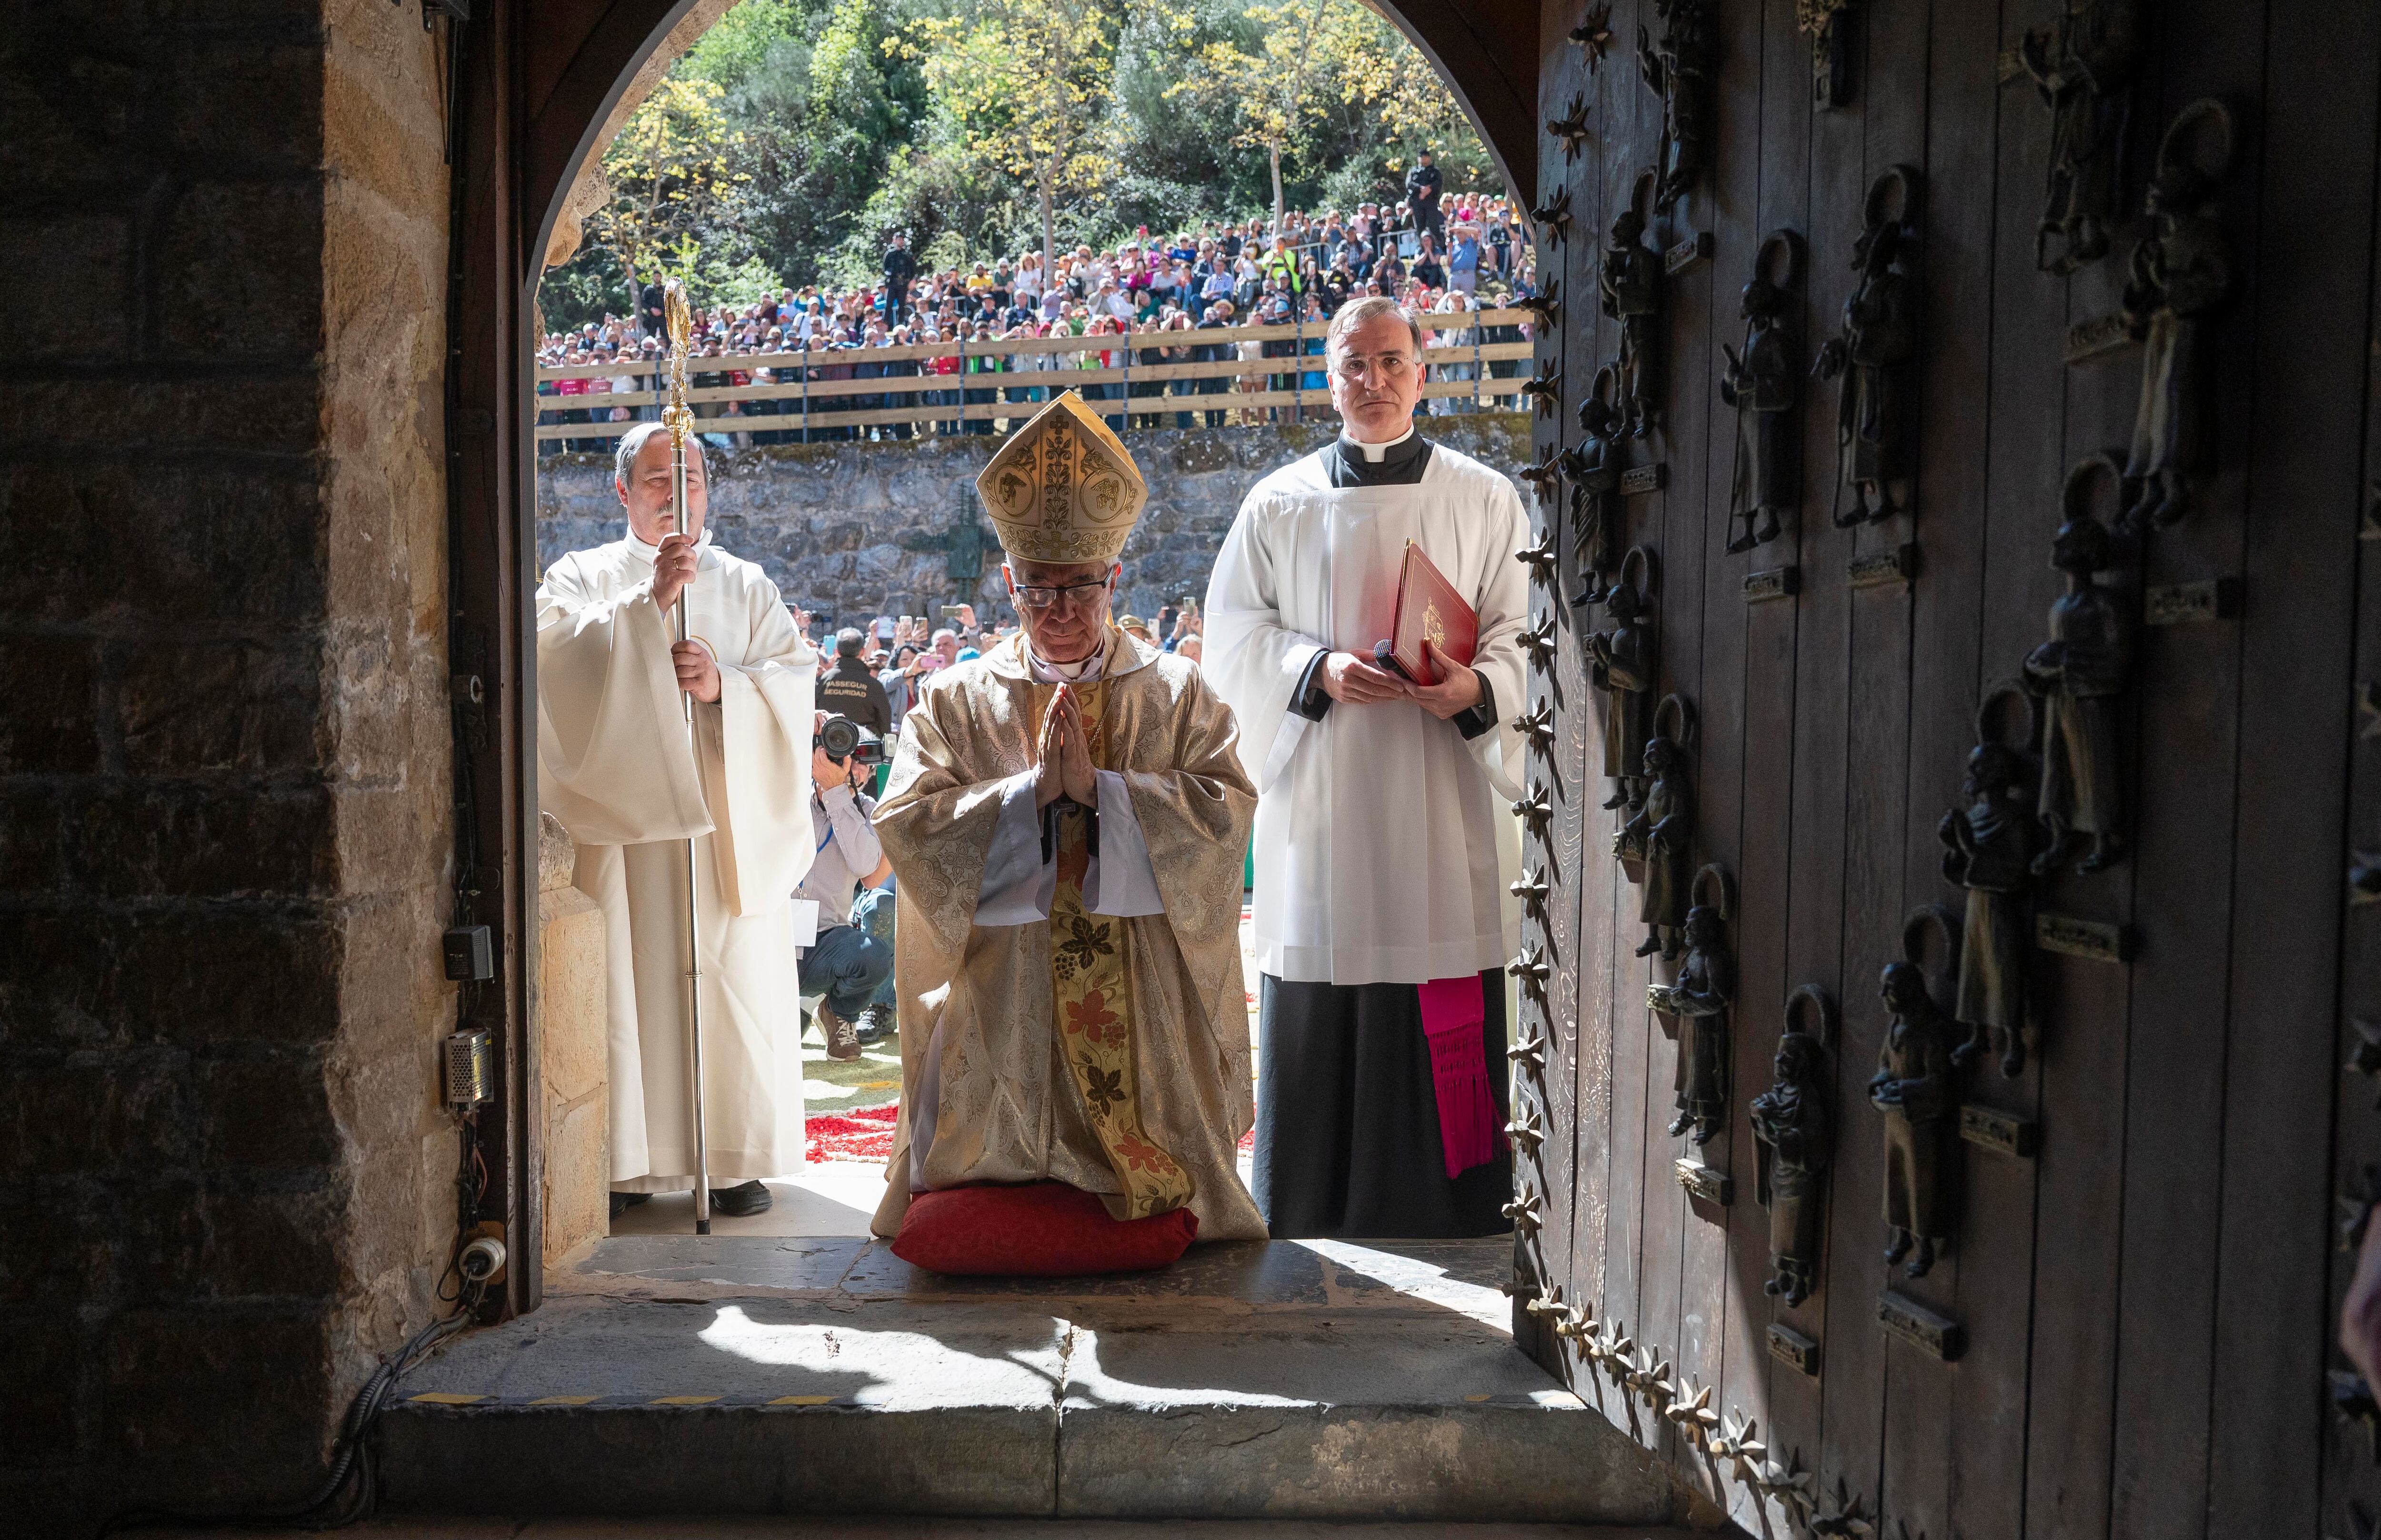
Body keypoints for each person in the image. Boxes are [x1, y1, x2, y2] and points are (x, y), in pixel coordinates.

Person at [869, 389, 1266, 1244]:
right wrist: (1028, 799)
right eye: (1036, 590)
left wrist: (1104, 796)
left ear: (1114, 578)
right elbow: (906, 820)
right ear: (1008, 583)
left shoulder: (1175, 691)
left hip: (1142, 973)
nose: (1057, 611)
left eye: (1078, 588)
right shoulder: (955, 697)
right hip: (1003, 975)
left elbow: (1228, 812)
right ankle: (1007, 1163)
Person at [1205, 295, 1529, 1239]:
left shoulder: (1482, 496)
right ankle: (1313, 1199)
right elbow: (1231, 641)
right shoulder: (1278, 502)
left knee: (1445, 957)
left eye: (1391, 362)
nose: (1374, 382)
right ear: (1328, 375)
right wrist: (1312, 669)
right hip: (1324, 794)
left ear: (1422, 371)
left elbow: (1528, 634)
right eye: (1354, 365)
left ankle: (1457, 1200)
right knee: (1325, 971)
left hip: (1444, 791)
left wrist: (1475, 687)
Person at [537, 420, 820, 1221]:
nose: (677, 491)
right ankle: (622, 1161)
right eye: (658, 478)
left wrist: (726, 685)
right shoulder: (581, 575)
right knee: (623, 981)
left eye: (691, 476)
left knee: (723, 973)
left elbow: (794, 680)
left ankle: (727, 1156)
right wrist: (644, 610)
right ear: (622, 491)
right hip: (626, 837)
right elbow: (550, 663)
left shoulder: (745, 584)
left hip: (723, 830)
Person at [795, 712, 894, 1058]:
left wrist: (838, 794)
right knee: (782, 1040)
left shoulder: (871, 813)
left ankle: (840, 1013)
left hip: (825, 945)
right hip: (767, 939)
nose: (850, 767)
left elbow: (868, 868)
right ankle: (801, 1011)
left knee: (872, 956)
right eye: (839, 754)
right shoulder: (788, 797)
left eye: (858, 760)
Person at [818, 626, 893, 738]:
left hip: (827, 743)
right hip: (864, 748)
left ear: (837, 651)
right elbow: (885, 724)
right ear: (862, 652)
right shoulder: (874, 685)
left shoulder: (822, 681)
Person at [1406, 150, 1445, 241]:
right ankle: (1422, 248)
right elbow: (1409, 184)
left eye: (1425, 156)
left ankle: (1437, 247)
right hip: (1418, 203)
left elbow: (1439, 183)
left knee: (1434, 226)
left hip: (1431, 201)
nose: (1423, 158)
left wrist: (1429, 189)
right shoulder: (1413, 171)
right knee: (1420, 227)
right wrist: (1421, 189)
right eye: (1422, 156)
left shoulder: (1435, 171)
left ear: (1429, 158)